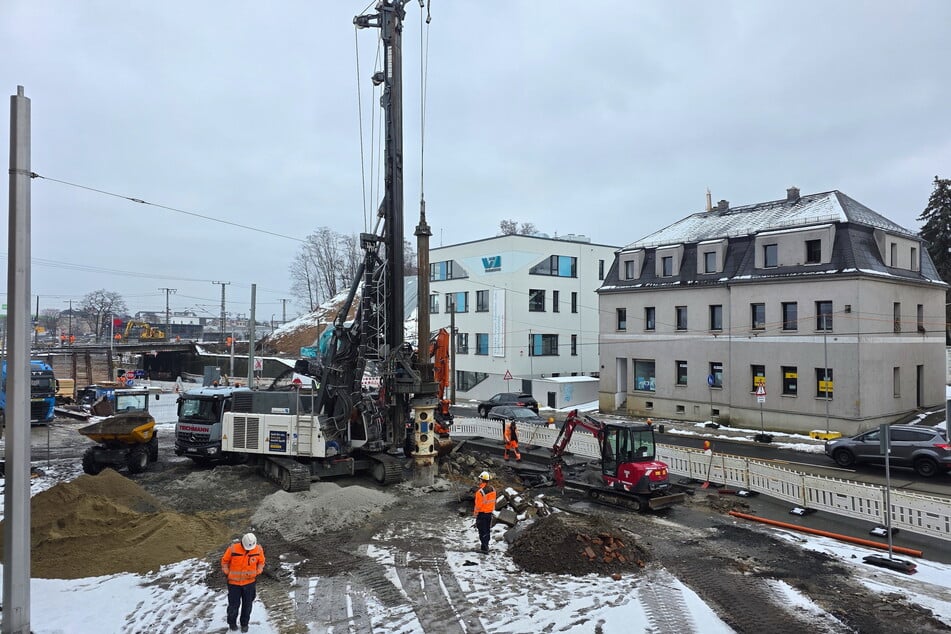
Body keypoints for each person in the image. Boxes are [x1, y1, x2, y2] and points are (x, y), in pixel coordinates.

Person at [221, 532, 266, 632]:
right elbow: (224, 562)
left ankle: (244, 624)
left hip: (249, 584)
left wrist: (258, 571)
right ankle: (232, 623)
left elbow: (261, 562)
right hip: (234, 584)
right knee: (233, 606)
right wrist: (227, 572)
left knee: (247, 605)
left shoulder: (258, 549)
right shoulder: (233, 549)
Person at [472, 471, 496, 554]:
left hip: (482, 514)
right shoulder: (493, 489)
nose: (479, 481)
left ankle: (484, 548)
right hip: (489, 514)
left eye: (479, 479)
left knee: (482, 531)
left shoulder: (480, 492)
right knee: (487, 531)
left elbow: (478, 506)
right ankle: (485, 546)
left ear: (482, 480)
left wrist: (475, 514)